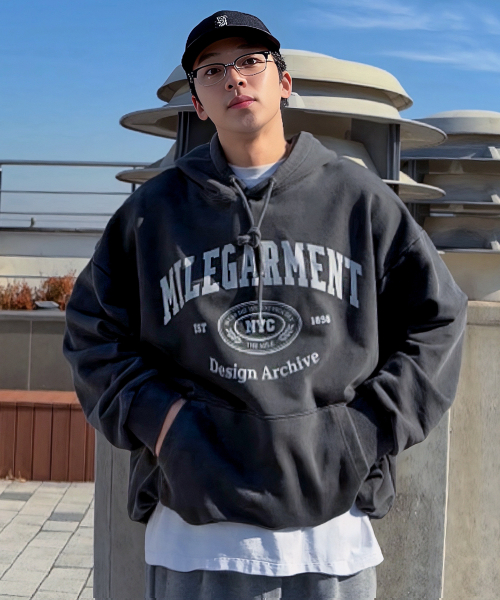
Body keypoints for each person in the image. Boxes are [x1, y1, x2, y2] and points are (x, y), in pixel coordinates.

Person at [63, 10, 468, 600]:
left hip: (331, 538)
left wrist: (363, 431)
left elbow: (439, 320)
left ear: (284, 82)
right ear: (197, 102)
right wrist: (165, 426)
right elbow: (90, 333)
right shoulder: (153, 213)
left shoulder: (358, 200)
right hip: (195, 537)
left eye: (251, 61)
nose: (234, 78)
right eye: (212, 70)